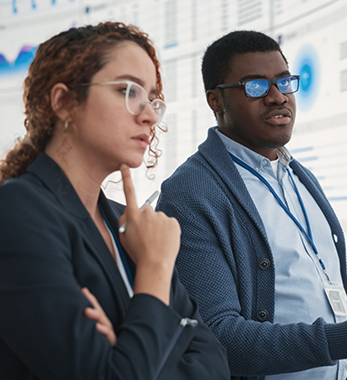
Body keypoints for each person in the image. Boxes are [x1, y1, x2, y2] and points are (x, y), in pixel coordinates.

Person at [156, 30, 347, 380]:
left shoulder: (298, 176)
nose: (276, 97)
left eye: (284, 82)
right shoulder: (189, 193)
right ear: (216, 101)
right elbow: (219, 339)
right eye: (255, 86)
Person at [0, 22, 229, 379]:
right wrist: (154, 269)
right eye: (128, 90)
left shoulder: (130, 224)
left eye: (152, 98)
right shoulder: (17, 211)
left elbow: (214, 365)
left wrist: (124, 347)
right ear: (63, 102)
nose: (150, 115)